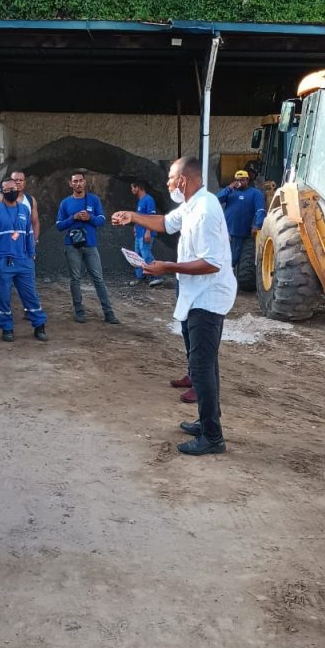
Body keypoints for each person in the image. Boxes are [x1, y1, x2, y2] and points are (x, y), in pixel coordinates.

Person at [112, 155, 236, 455]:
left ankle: (212, 437)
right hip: (195, 295)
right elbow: (166, 224)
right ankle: (208, 420)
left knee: (201, 367)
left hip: (208, 297)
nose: (168, 183)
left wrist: (167, 266)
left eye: (170, 178)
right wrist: (133, 215)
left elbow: (211, 264)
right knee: (205, 364)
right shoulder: (192, 206)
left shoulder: (205, 210)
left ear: (183, 180)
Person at [0, 177, 48, 342]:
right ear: (2, 192)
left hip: (24, 261)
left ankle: (39, 325)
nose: (11, 192)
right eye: (7, 190)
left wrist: (31, 254)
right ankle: (7, 328)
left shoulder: (24, 210)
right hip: (3, 261)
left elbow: (29, 233)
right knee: (3, 296)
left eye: (13, 189)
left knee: (30, 295)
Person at [56, 171, 119, 324]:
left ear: (85, 182)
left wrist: (90, 218)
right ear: (70, 184)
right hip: (72, 246)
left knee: (98, 279)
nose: (78, 184)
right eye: (75, 181)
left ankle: (109, 313)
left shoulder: (94, 200)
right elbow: (59, 225)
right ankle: (79, 312)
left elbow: (102, 220)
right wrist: (73, 218)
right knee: (75, 279)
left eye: (80, 181)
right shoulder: (65, 203)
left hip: (91, 245)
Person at [216, 169, 266, 271]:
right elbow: (216, 200)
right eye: (237, 180)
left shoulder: (255, 193)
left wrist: (257, 225)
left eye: (242, 180)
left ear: (247, 180)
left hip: (244, 233)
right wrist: (229, 188)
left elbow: (260, 210)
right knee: (224, 258)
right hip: (228, 232)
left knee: (237, 260)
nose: (240, 182)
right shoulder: (230, 192)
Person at [128, 179, 164, 288]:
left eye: (133, 187)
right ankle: (141, 277)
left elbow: (151, 218)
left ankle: (158, 276)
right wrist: (135, 227)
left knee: (146, 254)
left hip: (145, 233)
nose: (132, 190)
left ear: (139, 187)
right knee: (137, 256)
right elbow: (140, 216)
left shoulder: (149, 200)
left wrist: (148, 232)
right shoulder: (140, 200)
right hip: (139, 233)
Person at [0, 171, 41, 245]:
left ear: (25, 182)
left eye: (21, 180)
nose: (18, 182)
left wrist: (35, 240)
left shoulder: (31, 200)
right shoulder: (1, 198)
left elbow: (35, 222)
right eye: (15, 180)